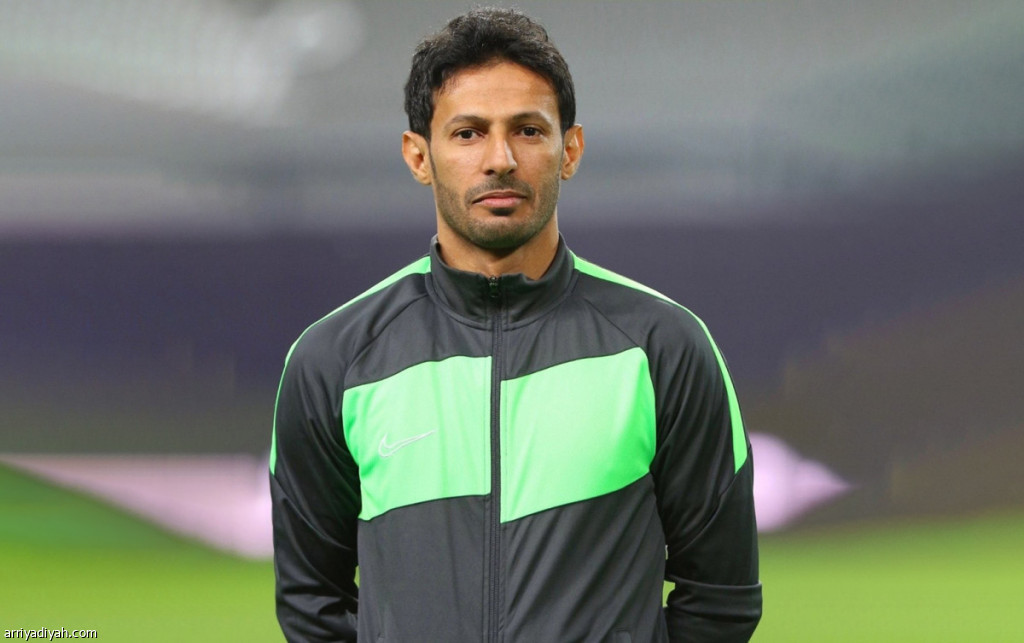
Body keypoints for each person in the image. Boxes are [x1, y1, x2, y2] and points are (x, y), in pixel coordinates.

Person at [270, 7, 761, 642]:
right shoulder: (333, 360)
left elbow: (721, 600)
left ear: (570, 150)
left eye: (528, 130)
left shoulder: (662, 346)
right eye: (468, 133)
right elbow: (312, 601)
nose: (500, 159)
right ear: (419, 156)